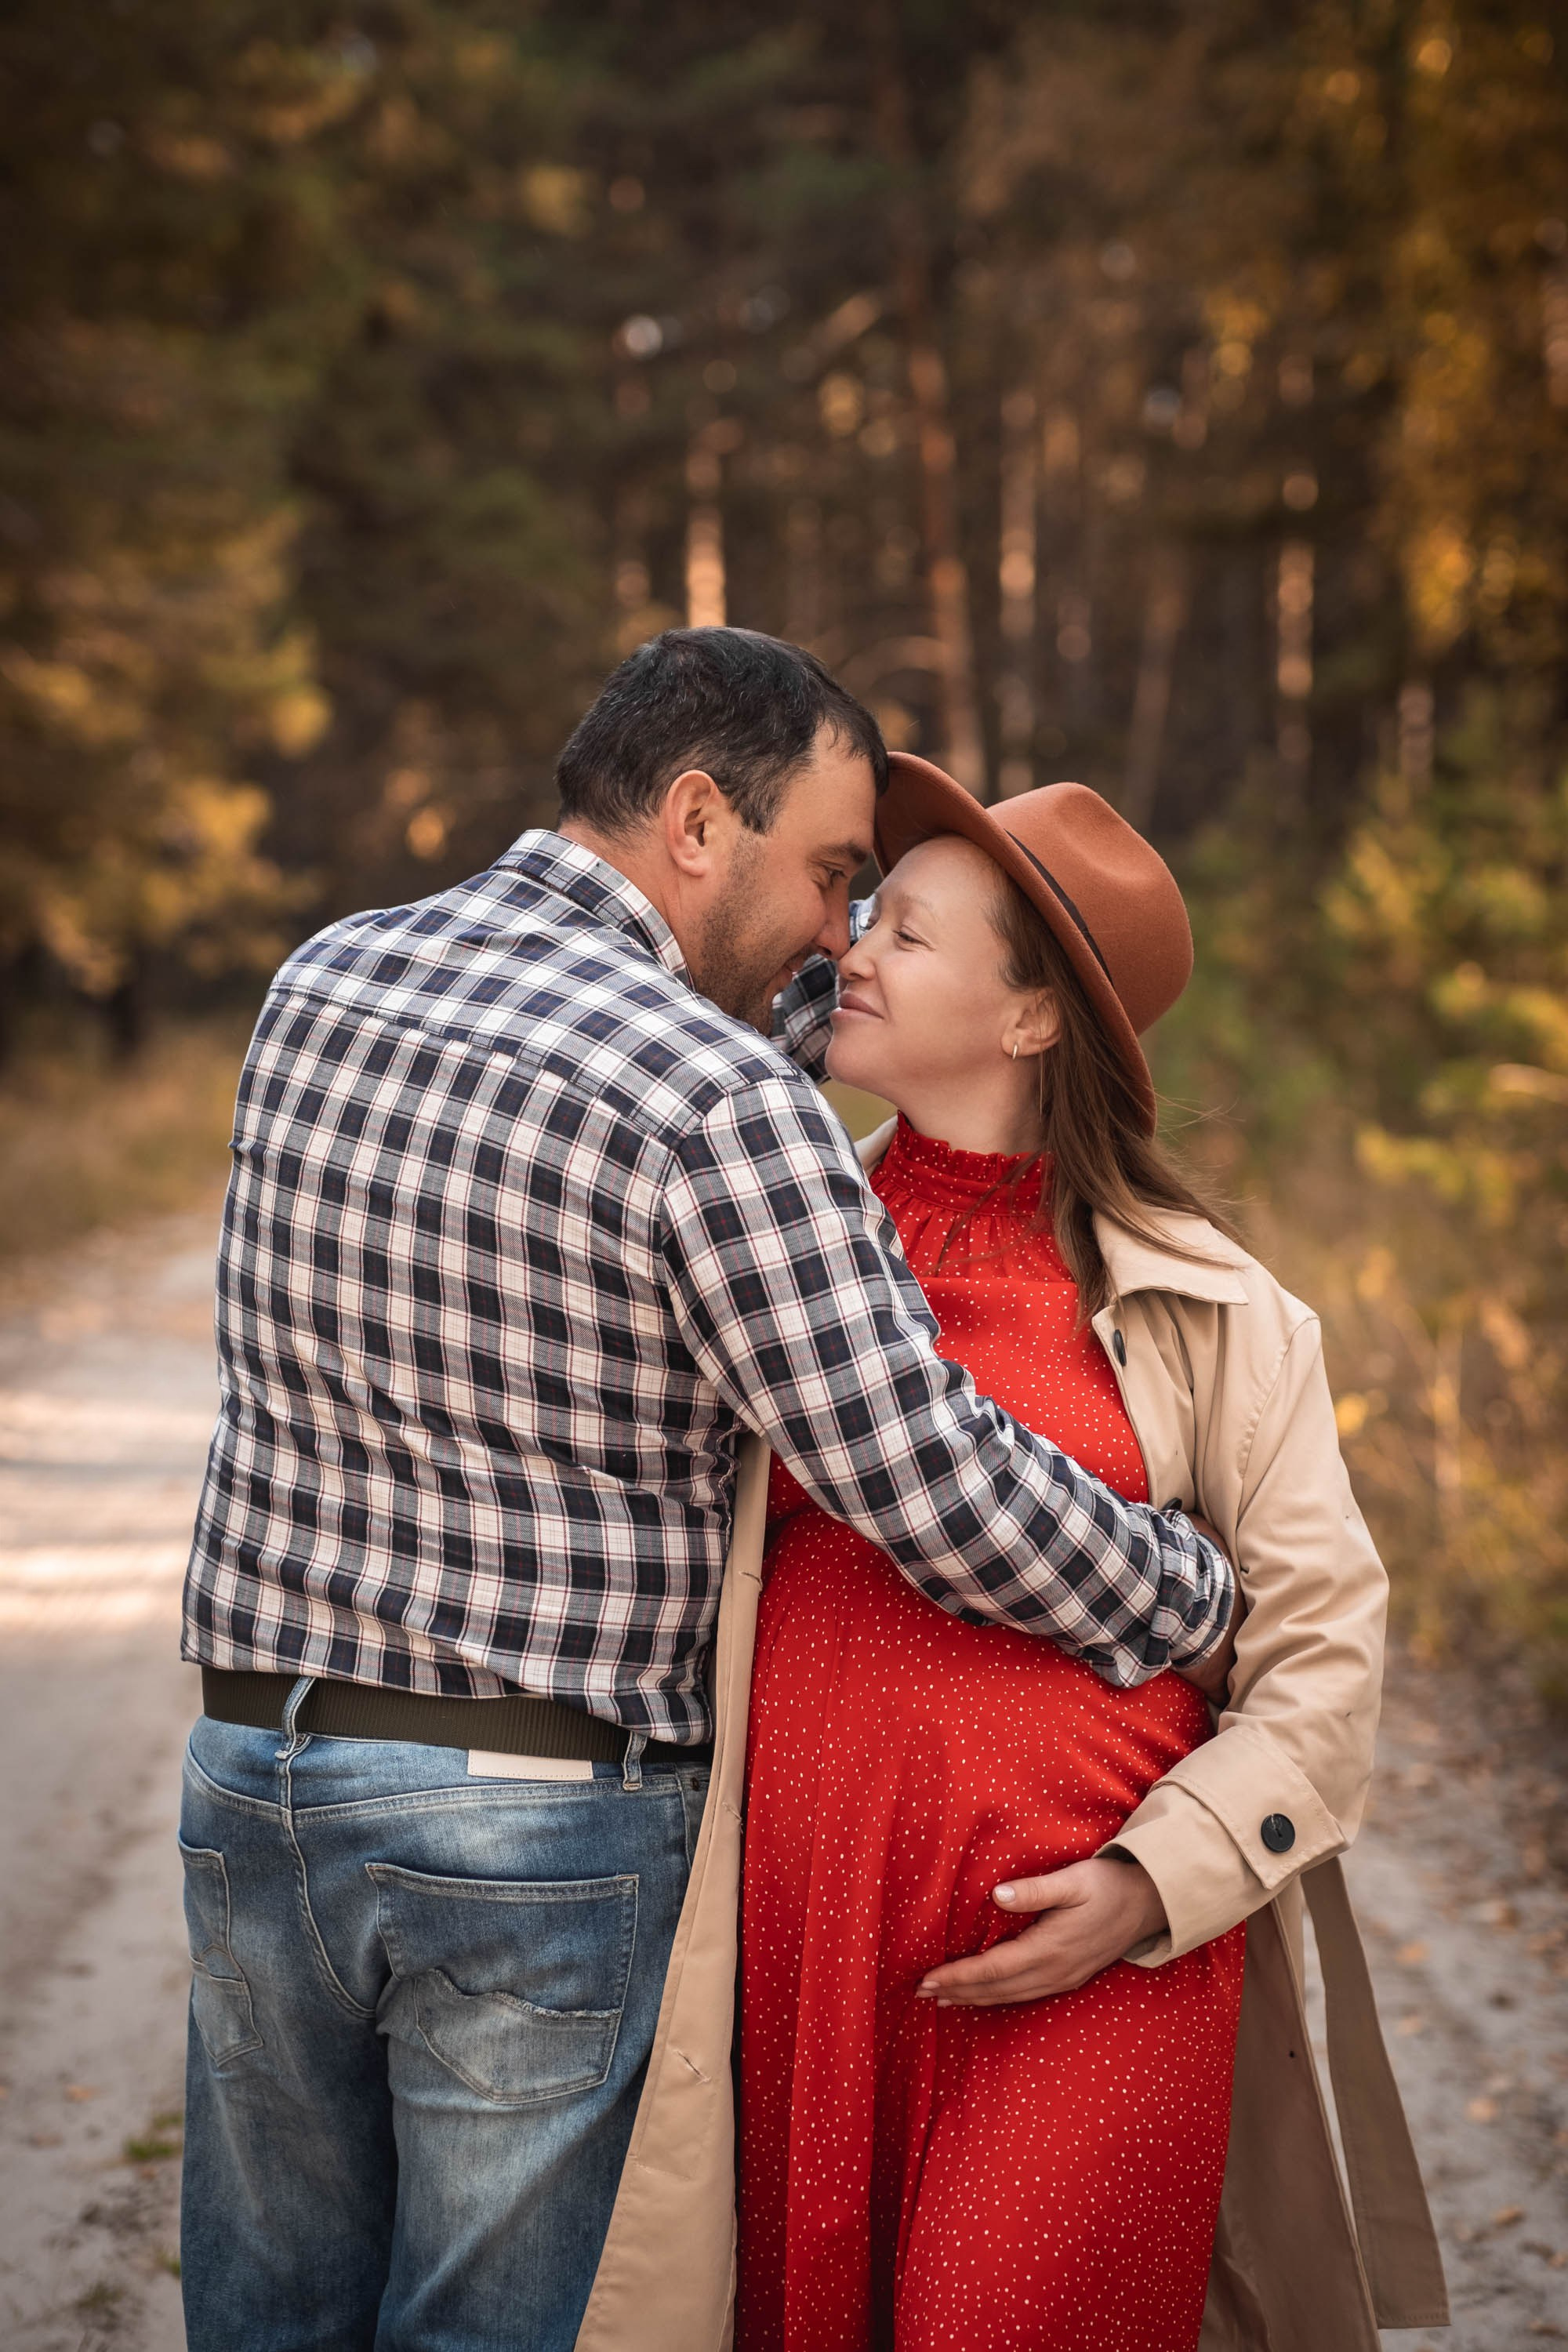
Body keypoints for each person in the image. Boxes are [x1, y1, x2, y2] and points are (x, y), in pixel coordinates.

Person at [176, 632, 1234, 2352]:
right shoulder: (709, 1096)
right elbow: (921, 1472)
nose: (837, 932)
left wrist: (888, 994)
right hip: (525, 1827)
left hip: (255, 1780)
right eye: (829, 877)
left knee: (267, 2315)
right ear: (691, 819)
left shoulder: (329, 980)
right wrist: (1183, 1596)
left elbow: (705, 1019)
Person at [575, 754, 1446, 2352]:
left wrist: (1146, 1883)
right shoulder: (765, 1244)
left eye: (905, 931)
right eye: (865, 916)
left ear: (1032, 1016)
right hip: (806, 1959)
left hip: (1095, 1978)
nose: (851, 950)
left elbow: (1324, 1664)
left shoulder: (1224, 1310)